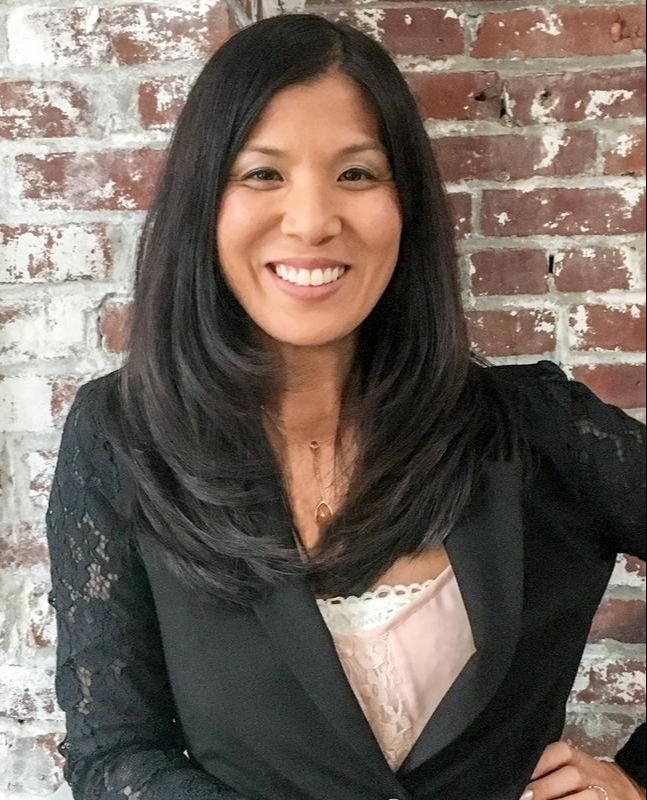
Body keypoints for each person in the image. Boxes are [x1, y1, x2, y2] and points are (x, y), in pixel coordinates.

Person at [45, 12, 645, 800]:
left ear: (406, 203)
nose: (311, 221)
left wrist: (633, 781)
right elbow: (113, 753)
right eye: (262, 174)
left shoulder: (537, 430)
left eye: (356, 174)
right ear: (203, 201)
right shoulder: (123, 437)